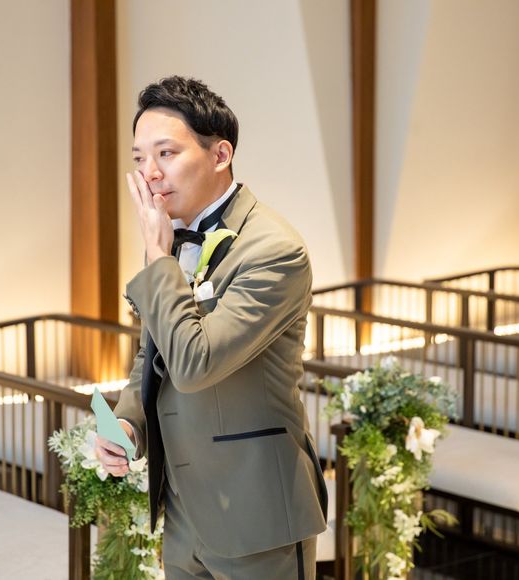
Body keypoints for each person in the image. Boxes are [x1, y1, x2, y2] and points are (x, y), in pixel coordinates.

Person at [95, 76, 327, 579]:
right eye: (139, 158)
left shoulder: (274, 250)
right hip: (183, 510)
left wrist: (158, 256)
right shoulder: (172, 240)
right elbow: (154, 353)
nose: (150, 173)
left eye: (166, 153)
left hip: (255, 513)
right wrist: (129, 423)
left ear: (220, 154)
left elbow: (195, 364)